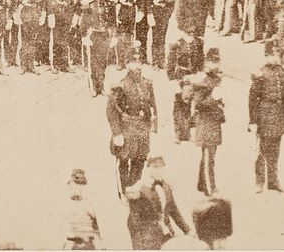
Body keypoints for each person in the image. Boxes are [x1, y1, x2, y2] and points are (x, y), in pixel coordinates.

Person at [107, 42, 157, 194]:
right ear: (127, 64)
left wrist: (152, 124)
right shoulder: (120, 85)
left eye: (139, 61)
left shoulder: (147, 83)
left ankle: (133, 190)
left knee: (139, 160)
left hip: (141, 128)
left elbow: (152, 105)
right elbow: (111, 111)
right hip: (126, 127)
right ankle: (123, 192)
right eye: (133, 62)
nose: (137, 65)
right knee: (123, 161)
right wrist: (117, 134)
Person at [248, 41, 284, 193]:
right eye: (273, 55)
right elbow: (253, 99)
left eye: (277, 54)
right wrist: (253, 120)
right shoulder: (260, 73)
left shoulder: (281, 71)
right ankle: (259, 182)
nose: (276, 58)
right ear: (266, 56)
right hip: (264, 115)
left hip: (278, 115)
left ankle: (273, 181)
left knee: (275, 150)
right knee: (262, 150)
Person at [125, 156, 189, 249]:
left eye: (161, 167)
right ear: (148, 168)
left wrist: (187, 230)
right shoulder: (139, 190)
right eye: (155, 167)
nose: (159, 171)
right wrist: (139, 247)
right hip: (148, 239)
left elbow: (173, 210)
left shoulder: (165, 186)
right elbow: (134, 223)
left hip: (167, 233)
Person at [192, 84, 225, 196]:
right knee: (208, 161)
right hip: (208, 133)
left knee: (207, 160)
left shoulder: (207, 99)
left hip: (211, 133)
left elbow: (222, 118)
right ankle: (210, 187)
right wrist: (217, 103)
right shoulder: (208, 99)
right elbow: (221, 117)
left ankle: (203, 185)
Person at [62, 168, 101, 250]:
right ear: (69, 185)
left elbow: (96, 229)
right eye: (75, 184)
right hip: (71, 244)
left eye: (81, 185)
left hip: (88, 244)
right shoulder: (64, 205)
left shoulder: (88, 205)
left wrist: (100, 246)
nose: (78, 187)